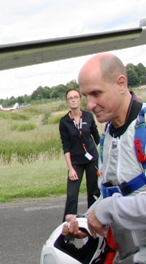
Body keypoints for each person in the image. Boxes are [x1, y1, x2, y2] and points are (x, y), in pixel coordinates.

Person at [62, 53, 146, 264]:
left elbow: (113, 205)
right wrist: (87, 220)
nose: (90, 105)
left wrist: (107, 209)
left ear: (121, 84)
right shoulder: (108, 135)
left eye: (96, 93)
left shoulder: (142, 130)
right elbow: (114, 193)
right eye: (86, 96)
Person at [59, 88, 101, 220]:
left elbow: (97, 139)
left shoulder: (88, 116)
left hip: (92, 159)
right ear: (67, 102)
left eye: (75, 97)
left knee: (93, 192)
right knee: (72, 195)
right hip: (76, 162)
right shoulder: (64, 122)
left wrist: (103, 157)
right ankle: (67, 226)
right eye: (70, 98)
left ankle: (93, 221)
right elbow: (66, 146)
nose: (73, 100)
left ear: (80, 99)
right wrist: (70, 168)